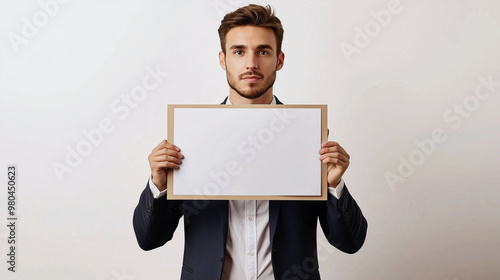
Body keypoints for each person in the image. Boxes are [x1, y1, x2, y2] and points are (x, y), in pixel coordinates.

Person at [133, 4, 367, 280]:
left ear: (279, 60)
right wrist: (158, 184)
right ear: (223, 59)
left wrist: (333, 185)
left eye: (263, 51)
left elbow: (350, 243)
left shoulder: (306, 135)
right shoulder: (193, 135)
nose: (251, 64)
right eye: (239, 51)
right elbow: (149, 239)